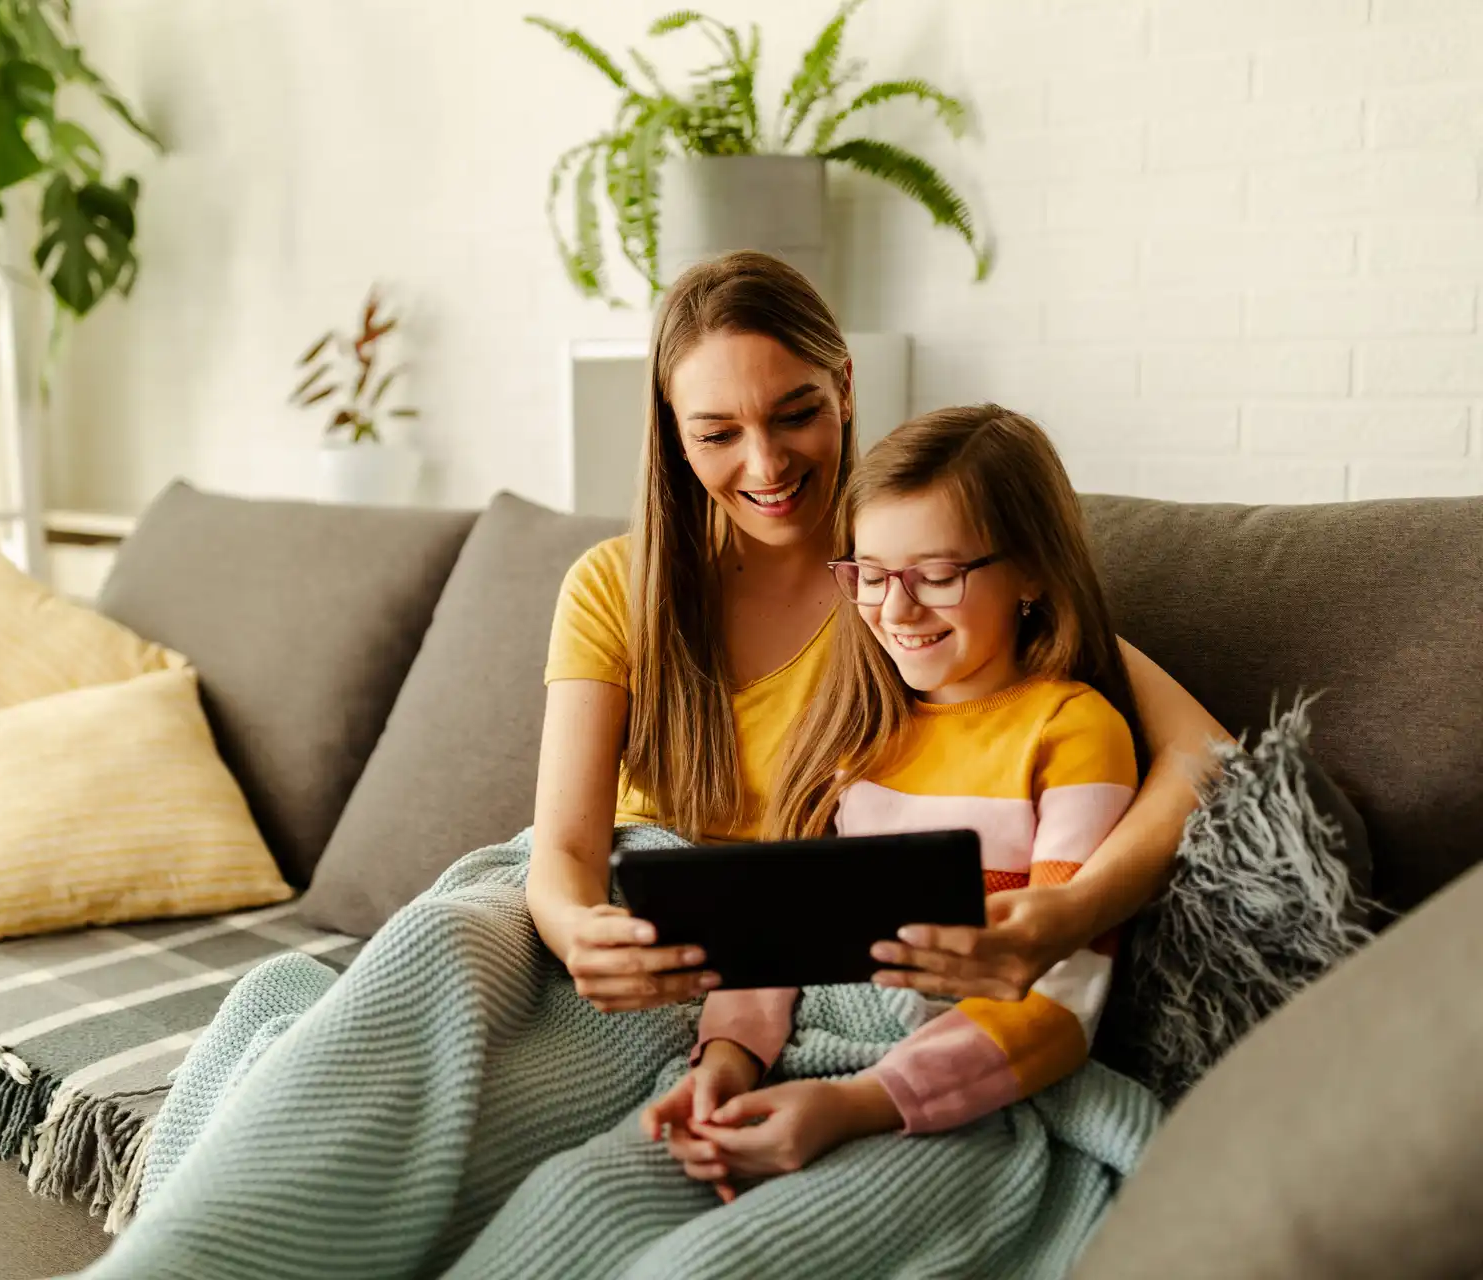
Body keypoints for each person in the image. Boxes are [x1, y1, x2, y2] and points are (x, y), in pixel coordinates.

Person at [442, 404, 1150, 1274]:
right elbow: (777, 939)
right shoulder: (860, 726)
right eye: (871, 575)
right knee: (575, 1202)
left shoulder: (1073, 733)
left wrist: (851, 1106)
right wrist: (728, 1060)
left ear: (1033, 573)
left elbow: (1061, 997)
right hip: (797, 1058)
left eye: (935, 574)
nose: (896, 610)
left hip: (943, 1085)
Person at [529, 251, 1223, 1019]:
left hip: (791, 958)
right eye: (719, 433)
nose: (766, 464)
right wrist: (578, 934)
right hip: (628, 919)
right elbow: (561, 852)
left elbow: (1205, 753)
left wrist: (1072, 911)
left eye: (796, 414)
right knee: (444, 937)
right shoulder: (611, 587)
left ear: (847, 389)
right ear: (674, 435)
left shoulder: (910, 594)